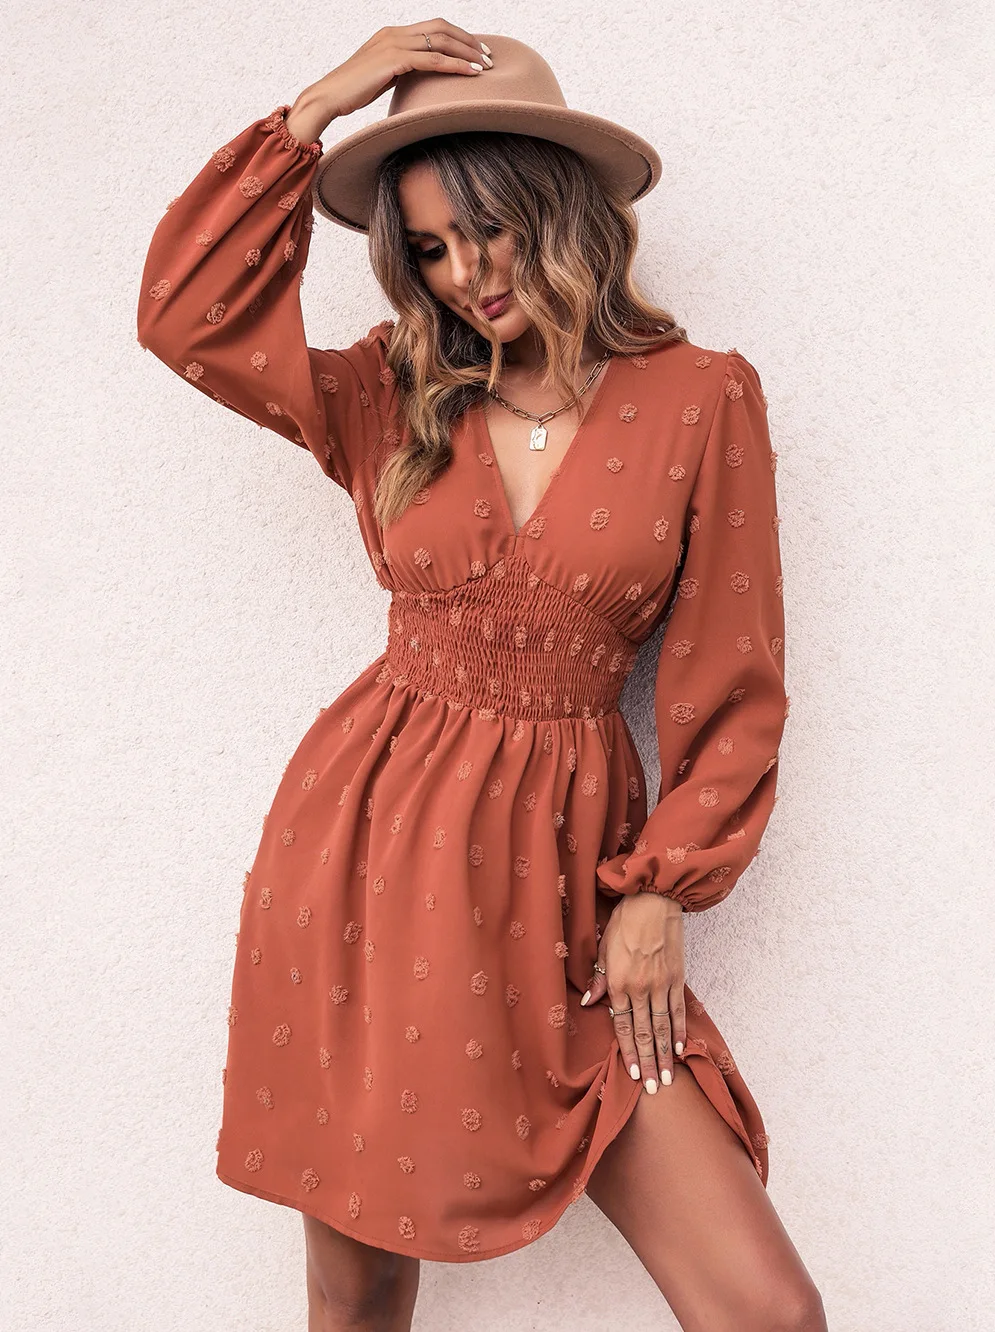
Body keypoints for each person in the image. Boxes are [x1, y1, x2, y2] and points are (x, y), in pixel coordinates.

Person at [137, 24, 826, 1332]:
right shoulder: (393, 390)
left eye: (489, 230)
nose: (465, 275)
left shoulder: (701, 399)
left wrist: (662, 890)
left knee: (765, 1313)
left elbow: (736, 681)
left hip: (573, 898)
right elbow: (188, 317)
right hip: (366, 871)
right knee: (356, 1303)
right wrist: (323, 106)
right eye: (431, 250)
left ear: (557, 205)